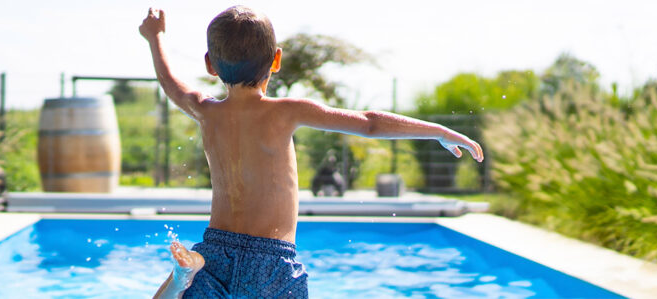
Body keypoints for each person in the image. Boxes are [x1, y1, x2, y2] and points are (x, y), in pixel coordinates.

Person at [142, 6, 483, 298]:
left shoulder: (206, 111)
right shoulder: (286, 111)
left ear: (210, 65)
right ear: (276, 60)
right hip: (272, 261)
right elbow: (370, 122)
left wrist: (155, 38)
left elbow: (171, 84)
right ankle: (185, 275)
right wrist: (440, 131)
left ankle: (184, 277)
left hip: (216, 249)